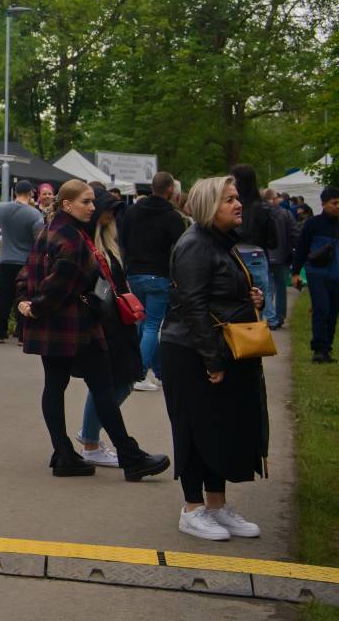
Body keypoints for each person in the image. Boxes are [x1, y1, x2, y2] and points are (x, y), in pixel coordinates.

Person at [16, 179, 170, 480]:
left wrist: (27, 301)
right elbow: (63, 284)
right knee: (101, 388)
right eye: (85, 202)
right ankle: (129, 456)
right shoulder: (72, 239)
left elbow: (28, 273)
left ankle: (65, 454)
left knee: (57, 386)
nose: (92, 207)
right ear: (67, 204)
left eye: (92, 201)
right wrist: (38, 304)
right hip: (77, 326)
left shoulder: (48, 232)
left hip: (55, 326)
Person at [159, 176, 269, 541]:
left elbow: (220, 295)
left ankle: (218, 506)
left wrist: (253, 300)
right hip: (191, 351)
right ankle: (192, 510)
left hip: (215, 349)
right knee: (193, 429)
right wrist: (212, 361)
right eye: (228, 200)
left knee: (218, 429)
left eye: (237, 198)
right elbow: (192, 306)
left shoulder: (221, 243)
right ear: (209, 206)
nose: (238, 204)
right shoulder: (195, 245)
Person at [75, 189, 146, 465]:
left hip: (119, 321)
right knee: (112, 383)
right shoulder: (87, 244)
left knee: (119, 382)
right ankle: (91, 441)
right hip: (103, 322)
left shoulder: (109, 242)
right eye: (105, 208)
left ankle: (90, 436)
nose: (108, 213)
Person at [119, 171, 188, 390]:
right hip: (158, 275)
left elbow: (123, 240)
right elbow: (181, 249)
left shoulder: (133, 211)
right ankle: (139, 373)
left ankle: (158, 371)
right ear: (170, 190)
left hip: (134, 273)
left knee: (141, 322)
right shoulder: (173, 217)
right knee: (152, 326)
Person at [0, 179, 44, 343]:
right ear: (31, 193)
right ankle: (22, 335)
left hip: (5, 259)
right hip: (25, 262)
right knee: (23, 297)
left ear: (14, 192)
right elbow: (39, 238)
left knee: (3, 297)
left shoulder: (2, 208)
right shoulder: (34, 214)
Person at [291, 186, 339, 363]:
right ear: (323, 204)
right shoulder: (313, 224)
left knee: (333, 312)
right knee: (321, 309)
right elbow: (302, 249)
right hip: (316, 273)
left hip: (336, 274)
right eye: (334, 203)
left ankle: (327, 348)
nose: (338, 206)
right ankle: (318, 349)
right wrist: (295, 272)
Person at [230, 165, 278, 321]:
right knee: (258, 308)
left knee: (233, 307)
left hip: (234, 257)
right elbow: (273, 241)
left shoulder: (231, 207)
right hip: (256, 257)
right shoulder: (264, 208)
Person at [263, 188, 294, 331]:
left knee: (267, 288)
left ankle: (270, 318)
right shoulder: (285, 213)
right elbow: (294, 233)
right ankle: (279, 316)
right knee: (281, 287)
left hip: (264, 256)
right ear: (274, 199)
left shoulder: (261, 213)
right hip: (282, 255)